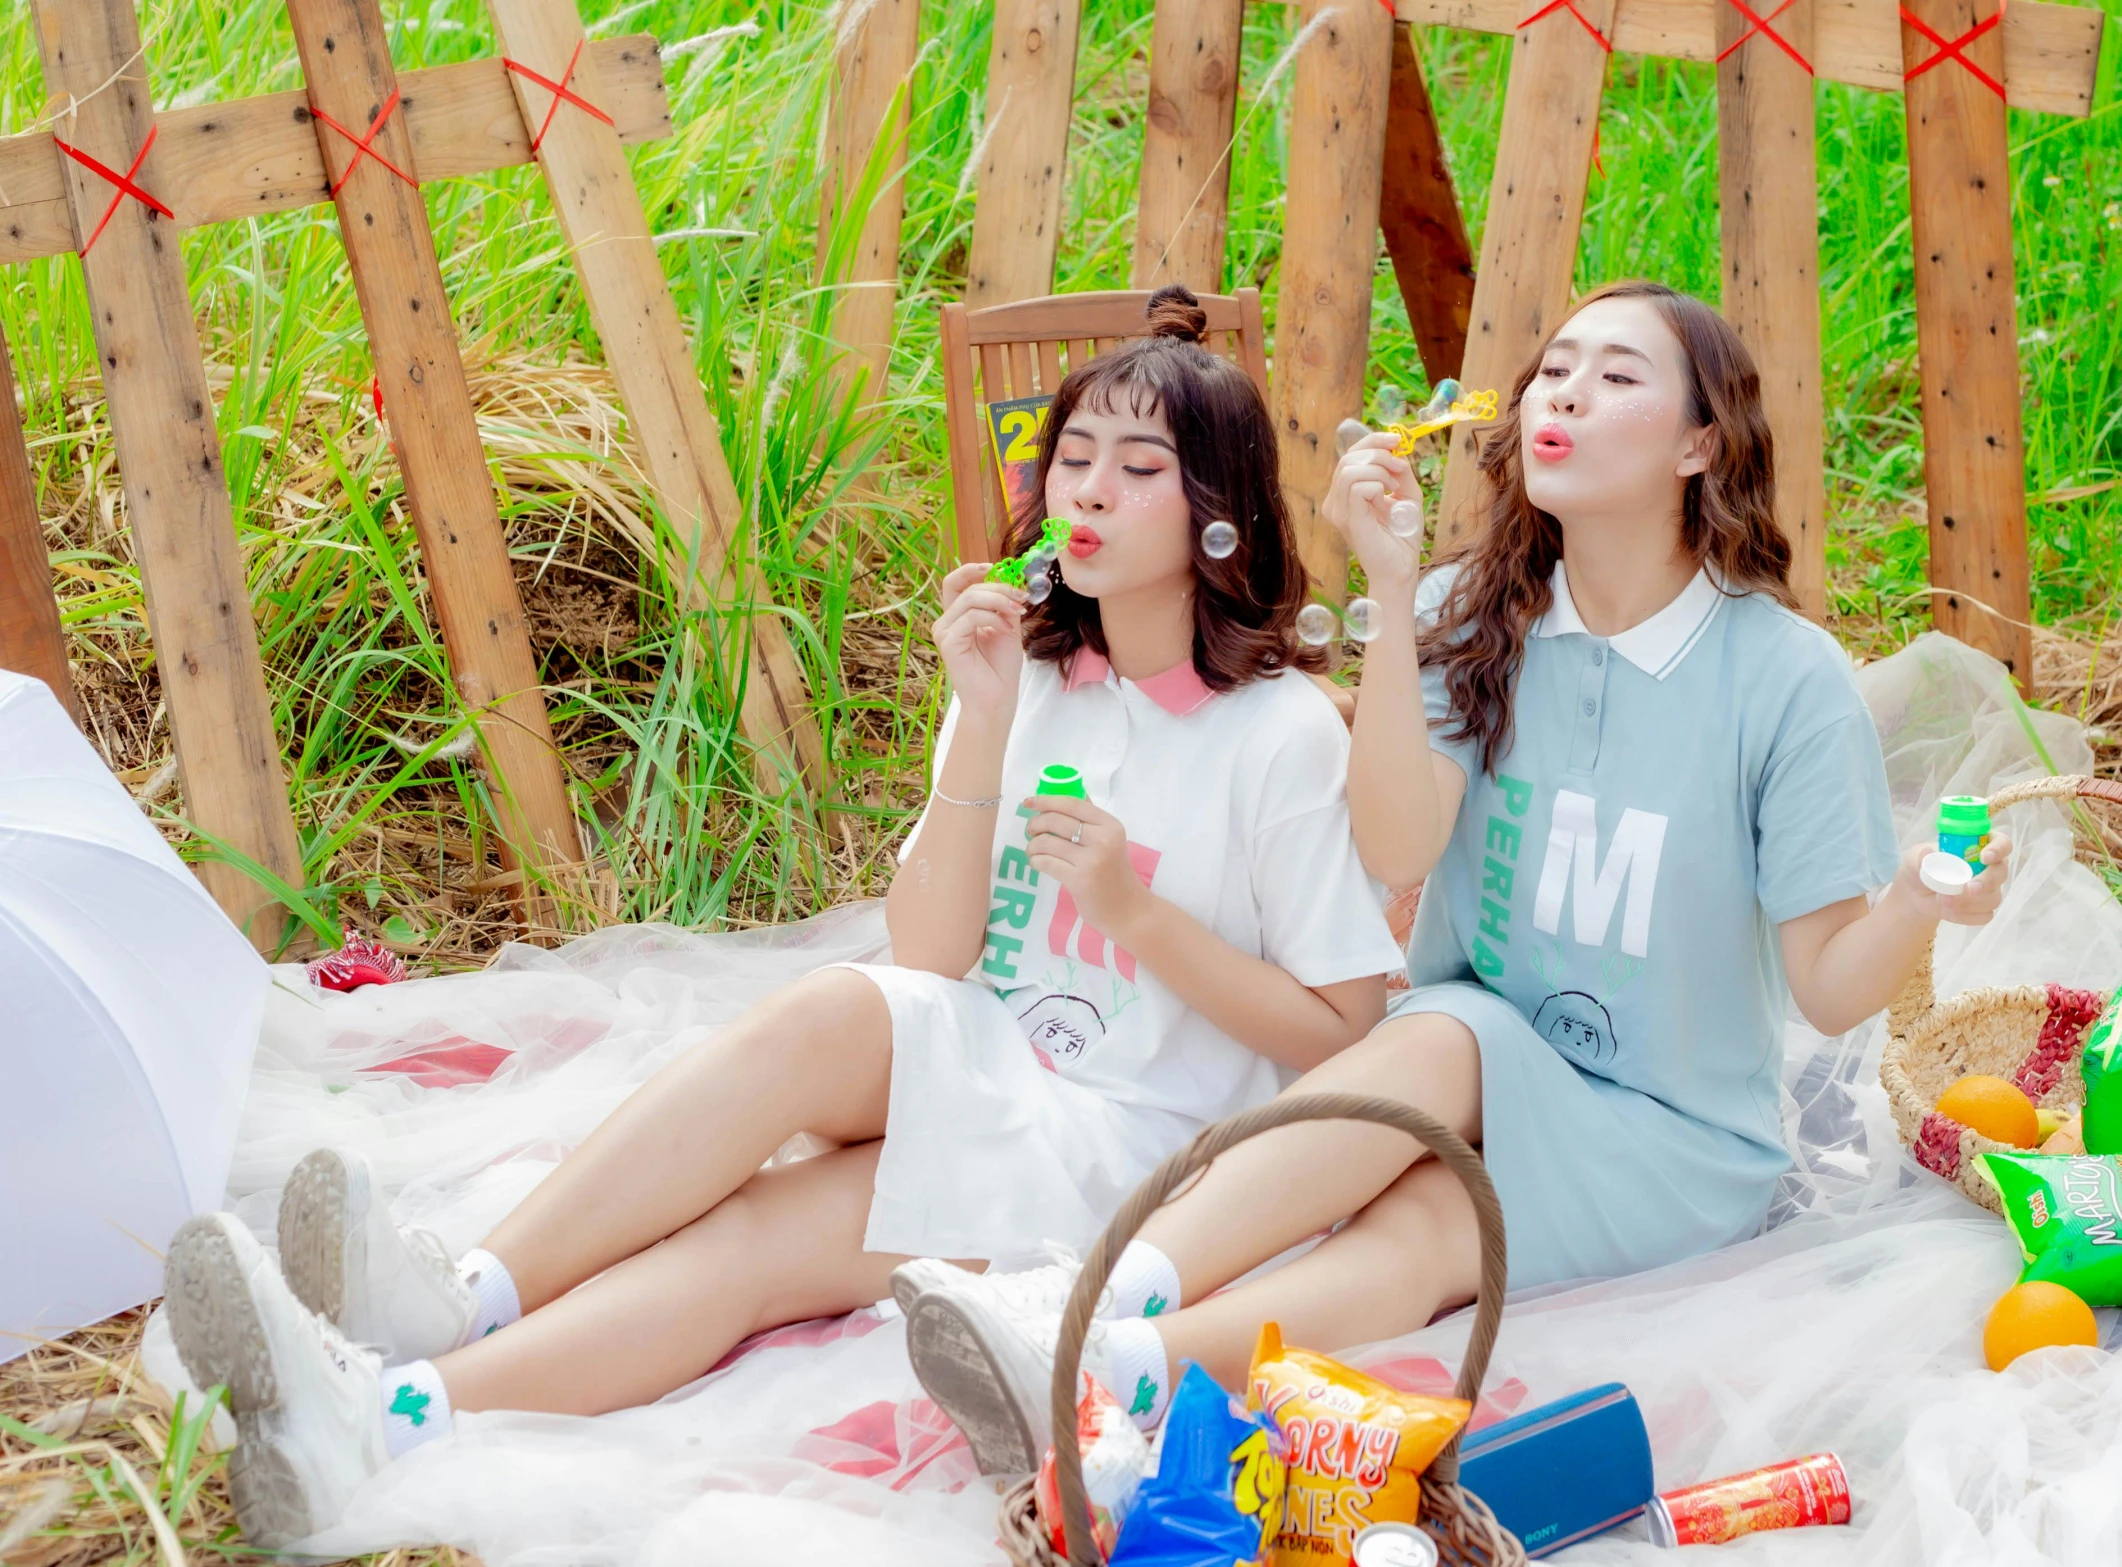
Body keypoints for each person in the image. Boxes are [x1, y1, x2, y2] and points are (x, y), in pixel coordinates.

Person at [160, 286, 1405, 1544]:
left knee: (758, 1239)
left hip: (1123, 1142)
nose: (1084, 490)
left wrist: (1135, 917)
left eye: (1138, 468)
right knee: (827, 1010)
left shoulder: (1278, 734)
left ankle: (386, 1420)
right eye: (1070, 455)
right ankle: (462, 1295)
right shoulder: (1030, 677)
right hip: (995, 1058)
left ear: (1219, 523)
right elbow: (930, 955)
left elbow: (1347, 1034)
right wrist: (978, 724)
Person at [897, 280, 2013, 1462]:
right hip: (1459, 1101)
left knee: (1450, 1031)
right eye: (1556, 368)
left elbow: (1831, 992)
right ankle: (1098, 1367)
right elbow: (1396, 849)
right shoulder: (1462, 613)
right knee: (1426, 1235)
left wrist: (1915, 898)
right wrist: (1387, 586)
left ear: (1701, 443)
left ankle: (1084, 1291)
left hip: (1664, 1137)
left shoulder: (1786, 680)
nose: (1565, 392)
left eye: (1617, 376)